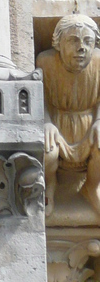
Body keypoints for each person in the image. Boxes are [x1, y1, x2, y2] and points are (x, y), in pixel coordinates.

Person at [37, 14, 100, 214]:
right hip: (57, 125)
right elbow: (39, 98)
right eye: (73, 40)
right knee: (48, 152)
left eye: (88, 41)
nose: (82, 47)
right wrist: (46, 122)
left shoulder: (99, 62)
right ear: (58, 43)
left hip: (88, 125)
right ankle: (50, 186)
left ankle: (92, 186)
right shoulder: (45, 62)